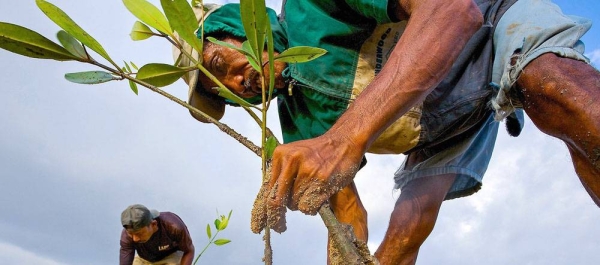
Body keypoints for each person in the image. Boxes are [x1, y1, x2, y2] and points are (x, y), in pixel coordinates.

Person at [177, 1, 600, 264]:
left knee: (554, 91)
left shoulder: (312, 6)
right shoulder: (298, 122)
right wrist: (346, 257)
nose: (236, 85)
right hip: (444, 131)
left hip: (490, 21)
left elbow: (452, 10)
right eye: (225, 95)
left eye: (219, 65)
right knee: (396, 249)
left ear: (239, 25)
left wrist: (342, 140)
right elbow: (348, 219)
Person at [120, 204, 195, 265]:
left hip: (171, 257)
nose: (135, 239)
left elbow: (189, 251)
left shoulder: (173, 227)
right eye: (131, 234)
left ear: (153, 224)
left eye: (139, 234)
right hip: (144, 259)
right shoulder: (126, 236)